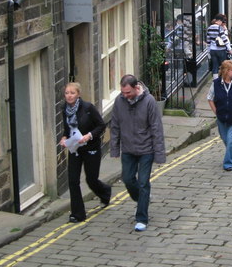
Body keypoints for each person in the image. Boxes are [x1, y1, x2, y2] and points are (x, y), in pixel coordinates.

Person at [110, 74, 166, 232]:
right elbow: (115, 125)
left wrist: (159, 153)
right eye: (123, 92)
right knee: (127, 179)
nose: (125, 95)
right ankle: (143, 199)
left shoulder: (149, 102)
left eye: (127, 92)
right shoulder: (119, 102)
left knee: (143, 182)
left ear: (136, 88)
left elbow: (156, 128)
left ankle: (142, 217)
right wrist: (115, 148)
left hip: (146, 149)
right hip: (128, 149)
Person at [60, 82, 111, 223]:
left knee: (91, 179)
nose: (69, 96)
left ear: (78, 94)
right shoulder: (64, 109)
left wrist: (89, 136)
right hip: (75, 149)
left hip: (91, 148)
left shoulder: (88, 108)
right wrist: (64, 138)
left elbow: (101, 125)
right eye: (66, 93)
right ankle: (78, 214)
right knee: (73, 181)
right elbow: (67, 129)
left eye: (72, 93)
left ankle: (105, 193)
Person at [206, 14, 232, 79]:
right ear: (220, 20)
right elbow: (224, 39)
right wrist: (229, 49)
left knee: (215, 66)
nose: (222, 23)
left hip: (212, 50)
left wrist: (208, 51)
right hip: (220, 49)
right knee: (224, 65)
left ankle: (215, 81)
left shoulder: (209, 28)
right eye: (222, 21)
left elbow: (208, 40)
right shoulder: (219, 28)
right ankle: (223, 79)